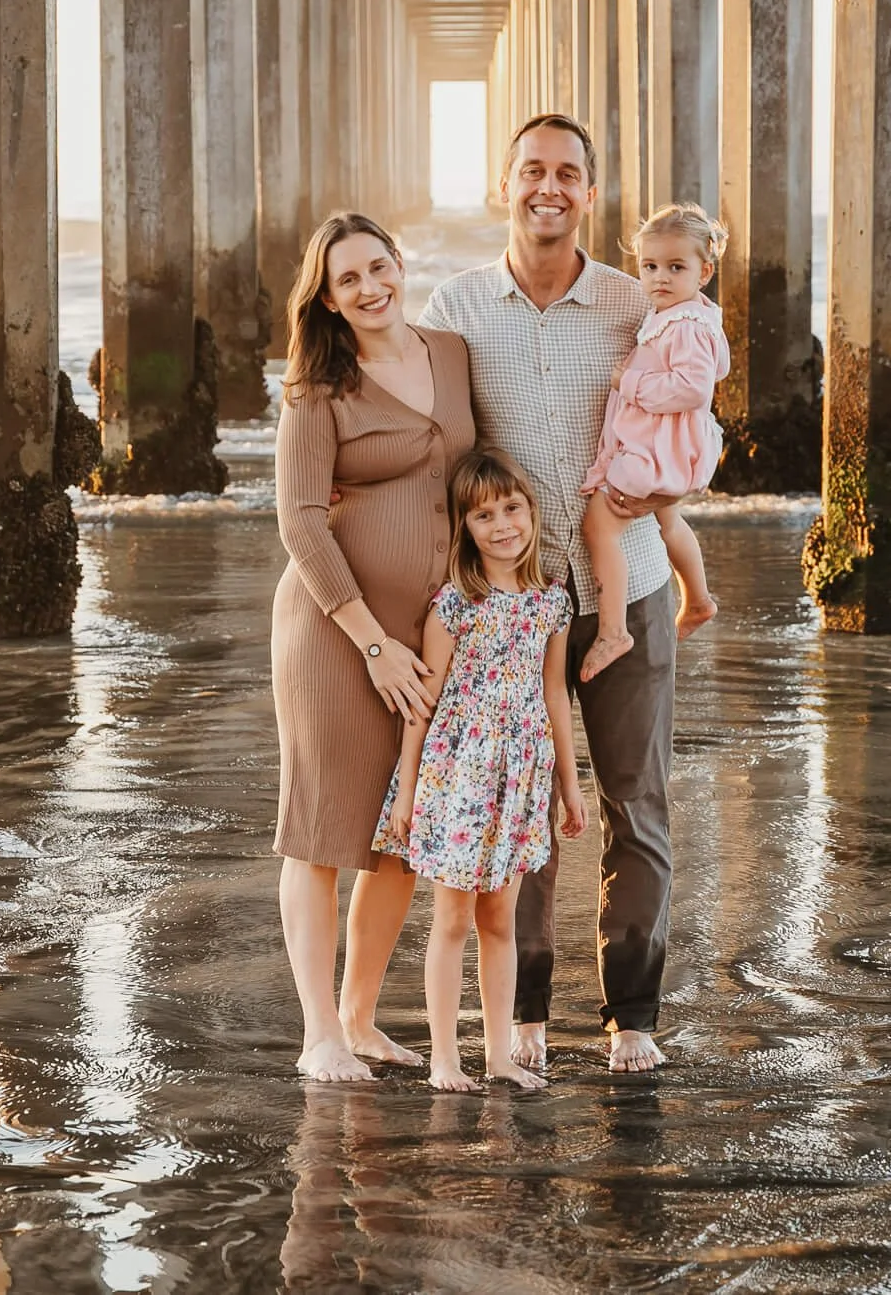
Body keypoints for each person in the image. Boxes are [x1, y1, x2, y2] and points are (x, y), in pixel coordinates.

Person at [418, 111, 682, 1075]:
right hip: (509, 603)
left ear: (592, 191)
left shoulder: (635, 304)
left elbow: (697, 424)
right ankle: (524, 1010)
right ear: (503, 184)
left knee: (634, 804)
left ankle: (632, 1014)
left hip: (631, 584)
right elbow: (429, 447)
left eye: (568, 173)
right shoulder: (453, 308)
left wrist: (664, 493)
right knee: (518, 803)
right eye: (532, 169)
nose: (549, 187)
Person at [272, 212, 475, 1082]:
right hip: (334, 632)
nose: (369, 287)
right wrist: (371, 644)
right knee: (321, 829)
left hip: (433, 627)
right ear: (325, 295)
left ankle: (360, 1017)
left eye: (379, 266)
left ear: (402, 265)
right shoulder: (320, 387)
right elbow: (300, 521)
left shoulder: (452, 353)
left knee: (403, 827)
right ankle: (318, 1030)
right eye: (348, 277)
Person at [373, 449, 589, 1093]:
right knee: (453, 921)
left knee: (500, 921)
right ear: (466, 528)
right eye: (485, 515)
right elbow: (423, 705)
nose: (503, 525)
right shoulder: (455, 605)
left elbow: (555, 696)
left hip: (522, 776)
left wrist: (571, 788)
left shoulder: (553, 603)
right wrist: (407, 792)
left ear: (531, 511)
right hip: (459, 774)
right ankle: (445, 1058)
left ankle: (498, 1055)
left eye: (512, 509)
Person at [577, 202, 730, 682]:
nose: (659, 278)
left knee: (599, 530)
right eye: (650, 267)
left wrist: (631, 383)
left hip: (652, 453)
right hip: (664, 446)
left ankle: (613, 629)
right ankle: (699, 599)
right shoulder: (688, 314)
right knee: (670, 522)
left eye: (675, 267)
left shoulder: (683, 324)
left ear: (704, 271)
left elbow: (695, 387)